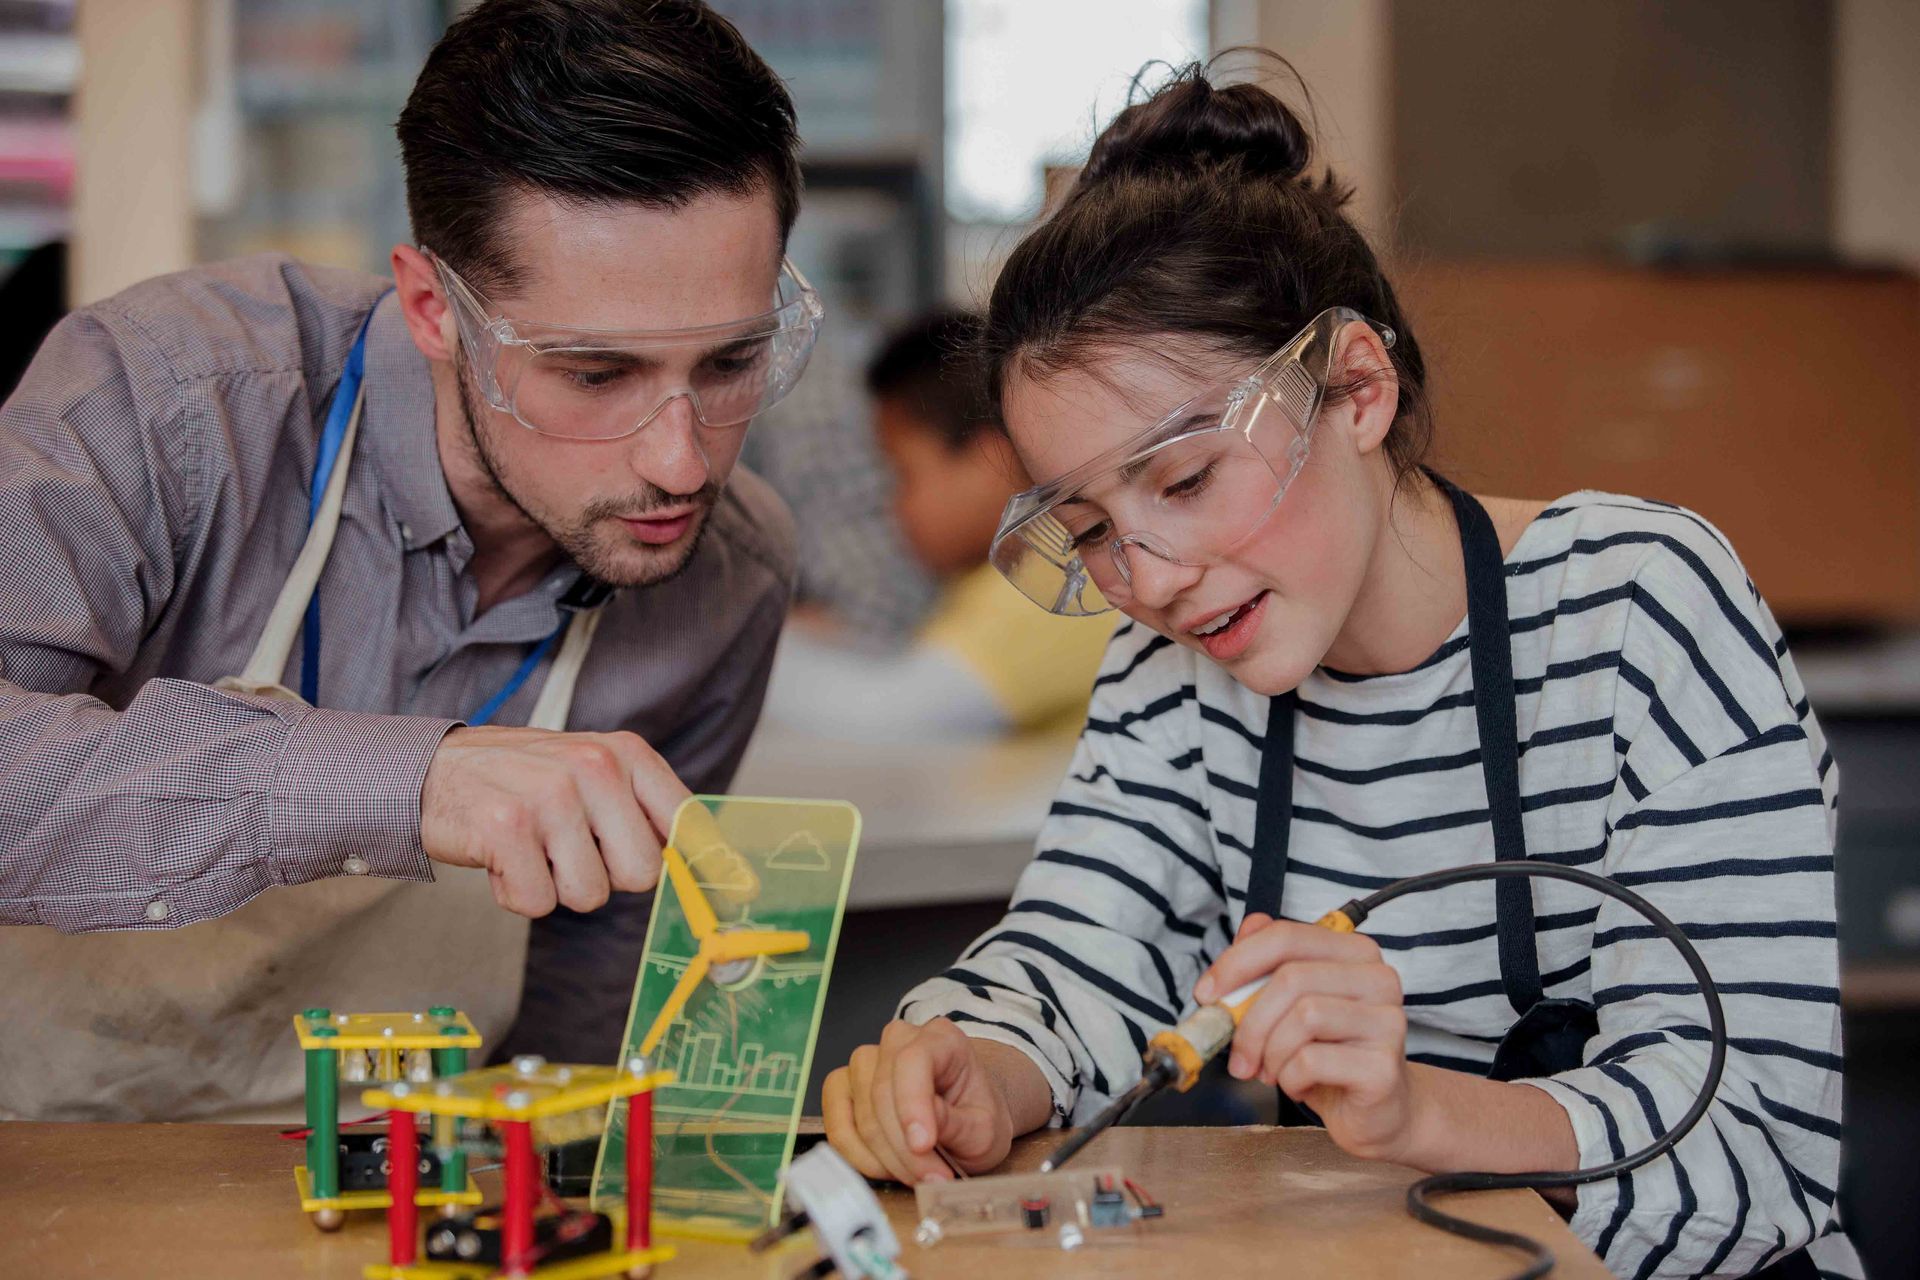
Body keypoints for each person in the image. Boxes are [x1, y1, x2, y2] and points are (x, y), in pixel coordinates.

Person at [822, 62, 1856, 1280]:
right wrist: (971, 1068)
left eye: (1187, 480)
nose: (1146, 579)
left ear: (1357, 387)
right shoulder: (1171, 669)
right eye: (1092, 529)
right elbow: (1074, 961)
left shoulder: (1638, 609)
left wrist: (1416, 1111)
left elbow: (1757, 1156)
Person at [0, 0, 811, 1121]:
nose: (682, 463)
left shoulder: (731, 578)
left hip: (414, 1188)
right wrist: (415, 779)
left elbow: (592, 1006)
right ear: (434, 306)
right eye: (593, 375)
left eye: (730, 362)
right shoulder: (167, 401)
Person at [761, 309, 1112, 742]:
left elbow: (890, 713)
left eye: (904, 474)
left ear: (992, 458)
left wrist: (733, 651)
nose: (894, 507)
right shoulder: (994, 580)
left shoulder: (1064, 573)